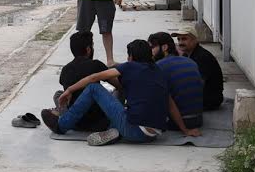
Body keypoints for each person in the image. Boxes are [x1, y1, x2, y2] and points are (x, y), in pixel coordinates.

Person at [41, 40, 200, 146]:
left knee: (94, 88)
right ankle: (114, 130)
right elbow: (170, 103)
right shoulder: (158, 71)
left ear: (131, 57)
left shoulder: (128, 67)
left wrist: (69, 90)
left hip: (134, 130)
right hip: (154, 134)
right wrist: (185, 130)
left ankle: (61, 125)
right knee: (120, 102)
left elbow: (94, 78)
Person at [57, 31, 111, 133]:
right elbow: (117, 83)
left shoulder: (65, 70)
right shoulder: (96, 65)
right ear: (88, 49)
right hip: (99, 123)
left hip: (75, 123)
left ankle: (61, 114)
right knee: (115, 93)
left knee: (59, 95)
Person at [152, 32, 204, 130]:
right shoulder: (190, 61)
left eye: (152, 48)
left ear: (164, 47)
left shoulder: (158, 66)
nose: (150, 52)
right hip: (198, 119)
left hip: (176, 122)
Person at [171, 24, 225, 110]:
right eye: (179, 39)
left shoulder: (202, 57)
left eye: (184, 39)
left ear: (195, 40)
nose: (180, 43)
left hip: (209, 100)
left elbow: (198, 84)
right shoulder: (186, 54)